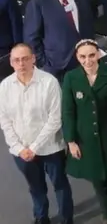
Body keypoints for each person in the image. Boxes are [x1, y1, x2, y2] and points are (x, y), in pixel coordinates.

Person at [0, 44, 74, 224]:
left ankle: (66, 219)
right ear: (11, 62)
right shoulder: (5, 86)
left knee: (60, 185)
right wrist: (18, 148)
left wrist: (34, 147)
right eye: (16, 60)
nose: (21, 63)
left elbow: (55, 120)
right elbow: (4, 120)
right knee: (35, 187)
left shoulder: (49, 82)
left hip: (51, 148)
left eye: (25, 58)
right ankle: (41, 218)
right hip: (22, 151)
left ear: (33, 58)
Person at [61, 39, 107, 224]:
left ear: (98, 54)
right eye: (83, 56)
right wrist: (71, 140)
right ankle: (106, 212)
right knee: (96, 176)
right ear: (77, 57)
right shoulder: (71, 78)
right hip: (86, 136)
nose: (88, 60)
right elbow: (68, 111)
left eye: (91, 55)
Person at [23, 0, 95, 80]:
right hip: (59, 66)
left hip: (87, 57)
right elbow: (31, 37)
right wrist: (45, 64)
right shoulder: (39, 0)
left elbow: (89, 16)